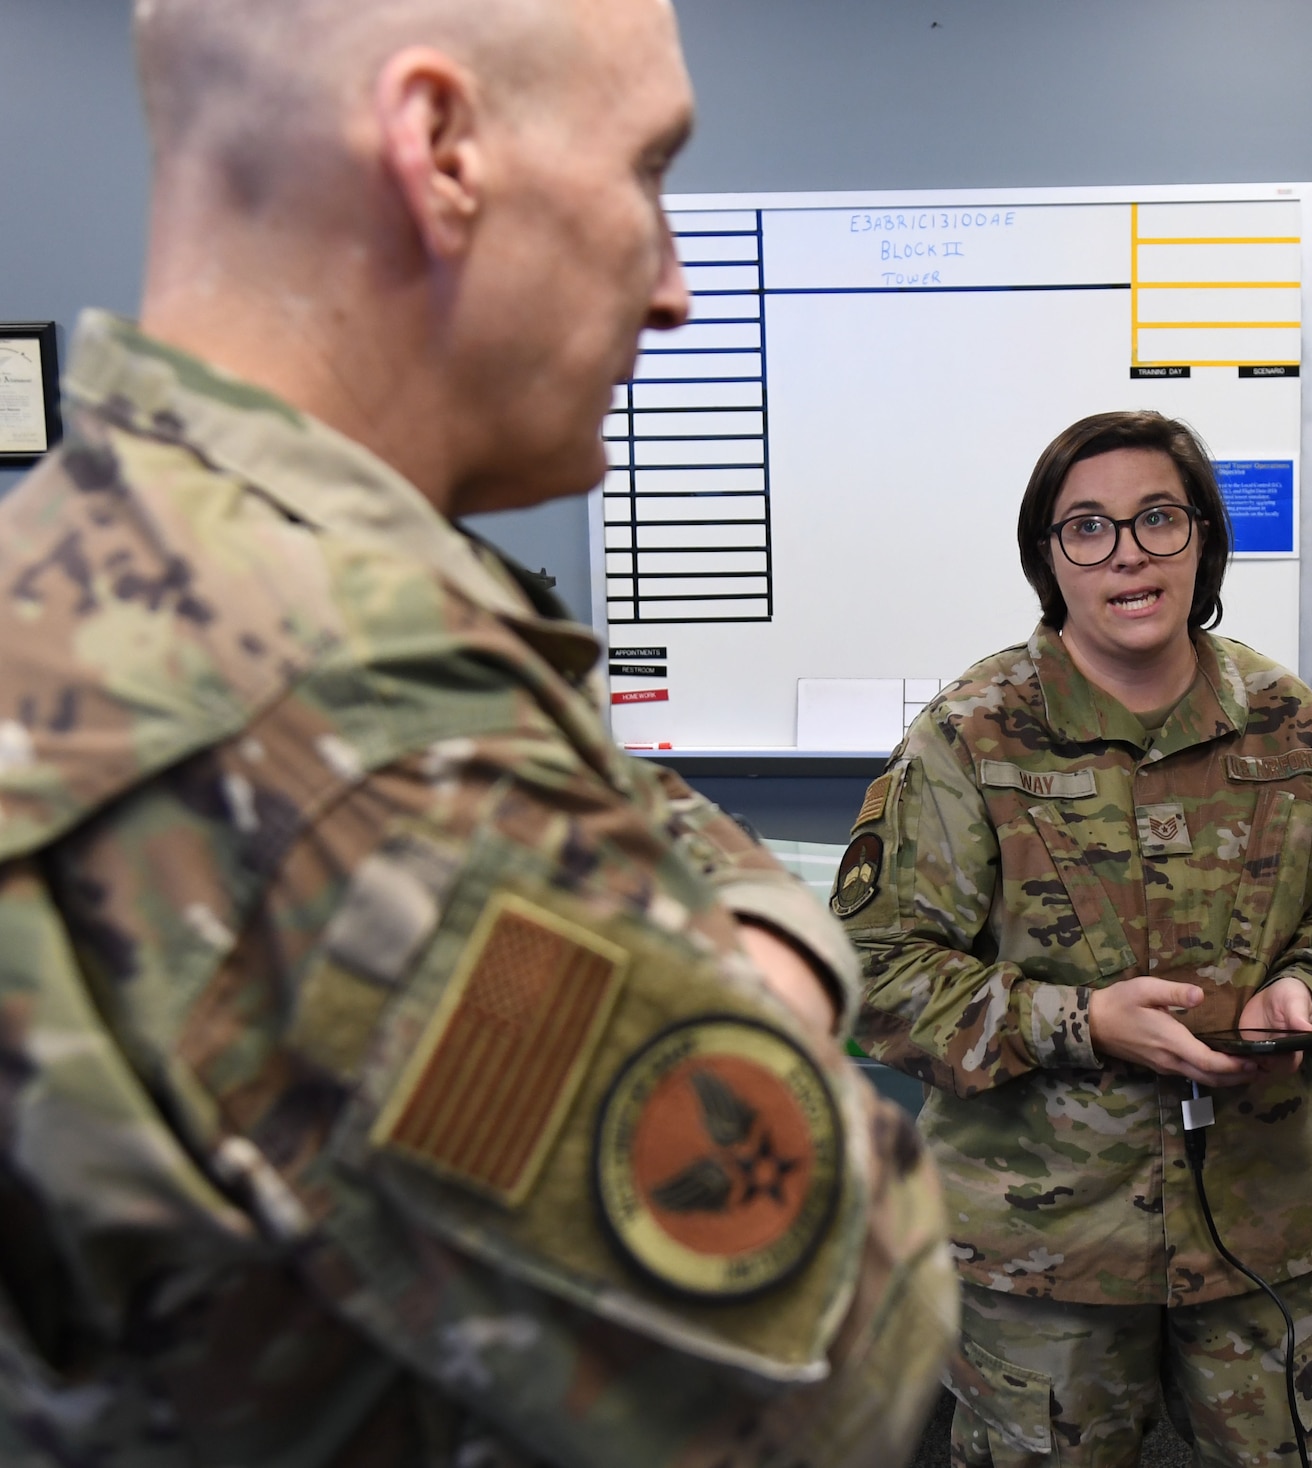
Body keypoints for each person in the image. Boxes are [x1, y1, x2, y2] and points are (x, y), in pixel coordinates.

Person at [0, 2, 954, 1463]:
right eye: (647, 173)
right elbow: (847, 1356)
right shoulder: (337, 724)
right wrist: (769, 938)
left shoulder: (81, 565)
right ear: (438, 147)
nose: (678, 286)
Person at [837, 411, 1312, 1467]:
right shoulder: (969, 735)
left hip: (1259, 1216)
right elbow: (877, 968)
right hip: (1045, 1247)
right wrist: (1080, 1022)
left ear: (1202, 540)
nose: (1128, 552)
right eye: (1086, 528)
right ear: (1048, 560)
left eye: (1156, 518)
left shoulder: (1283, 719)